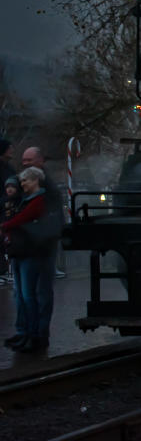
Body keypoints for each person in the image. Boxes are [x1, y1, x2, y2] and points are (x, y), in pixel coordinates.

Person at [1, 166, 58, 352]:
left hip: (30, 252)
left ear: (35, 181)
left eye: (26, 180)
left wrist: (6, 226)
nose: (22, 184)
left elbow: (21, 219)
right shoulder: (25, 200)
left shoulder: (38, 201)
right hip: (21, 251)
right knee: (23, 296)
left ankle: (33, 335)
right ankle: (27, 333)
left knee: (28, 295)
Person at [21, 147, 66, 279]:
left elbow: (52, 206)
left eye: (29, 160)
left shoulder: (45, 182)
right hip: (33, 231)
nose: (25, 163)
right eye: (24, 160)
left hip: (44, 231)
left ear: (40, 161)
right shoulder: (28, 179)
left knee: (41, 280)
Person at [0, 175, 19, 286]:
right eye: (7, 187)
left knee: (11, 252)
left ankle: (9, 273)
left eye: (12, 186)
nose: (10, 189)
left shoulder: (19, 201)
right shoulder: (2, 201)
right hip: (3, 229)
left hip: (14, 230)